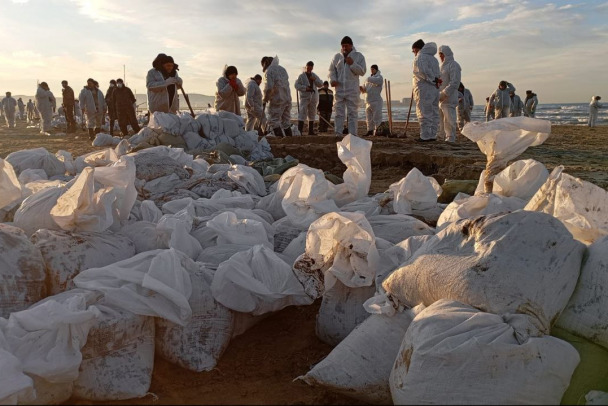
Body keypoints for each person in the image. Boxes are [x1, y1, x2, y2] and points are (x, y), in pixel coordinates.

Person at [329, 36, 366, 137]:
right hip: (339, 90)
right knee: (338, 113)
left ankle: (353, 136)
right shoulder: (337, 57)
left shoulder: (358, 56)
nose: (344, 48)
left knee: (352, 114)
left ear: (351, 45)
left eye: (346, 46)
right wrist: (332, 80)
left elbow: (362, 71)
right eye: (342, 46)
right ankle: (338, 134)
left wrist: (353, 63)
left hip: (352, 89)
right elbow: (332, 71)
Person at [411, 39, 440, 142]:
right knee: (433, 112)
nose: (414, 53)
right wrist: (435, 81)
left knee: (424, 112)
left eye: (414, 51)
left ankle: (425, 136)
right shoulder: (434, 59)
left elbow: (423, 72)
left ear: (417, 49)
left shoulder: (420, 57)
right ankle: (432, 135)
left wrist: (433, 80)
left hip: (424, 89)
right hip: (434, 89)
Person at [261, 55, 292, 137]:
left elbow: (269, 88)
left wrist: (265, 98)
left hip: (277, 99)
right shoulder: (282, 69)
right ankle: (290, 140)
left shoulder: (269, 71)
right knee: (286, 122)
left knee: (274, 121)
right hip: (287, 98)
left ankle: (280, 139)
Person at [438, 45, 461, 143]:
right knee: (440, 120)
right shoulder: (442, 66)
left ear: (446, 54)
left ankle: (451, 137)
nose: (441, 57)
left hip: (449, 97)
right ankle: (440, 136)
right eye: (440, 55)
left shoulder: (454, 65)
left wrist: (445, 93)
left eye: (442, 54)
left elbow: (455, 82)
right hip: (440, 97)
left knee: (449, 119)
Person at [295, 61, 323, 135]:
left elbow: (320, 84)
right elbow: (296, 85)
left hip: (313, 97)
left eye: (311, 67)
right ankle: (299, 131)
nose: (309, 69)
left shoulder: (314, 75)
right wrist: (305, 88)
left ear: (312, 68)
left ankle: (310, 131)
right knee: (302, 113)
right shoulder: (301, 76)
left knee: (312, 113)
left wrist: (314, 79)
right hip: (304, 97)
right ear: (306, 67)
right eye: (308, 67)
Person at [359, 64, 383, 136]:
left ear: (376, 70)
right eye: (371, 69)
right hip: (368, 101)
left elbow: (376, 81)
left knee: (376, 117)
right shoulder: (368, 79)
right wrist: (361, 88)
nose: (372, 71)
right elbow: (364, 90)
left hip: (376, 101)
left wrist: (368, 79)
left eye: (373, 69)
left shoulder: (379, 77)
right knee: (369, 118)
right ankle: (370, 130)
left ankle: (378, 131)